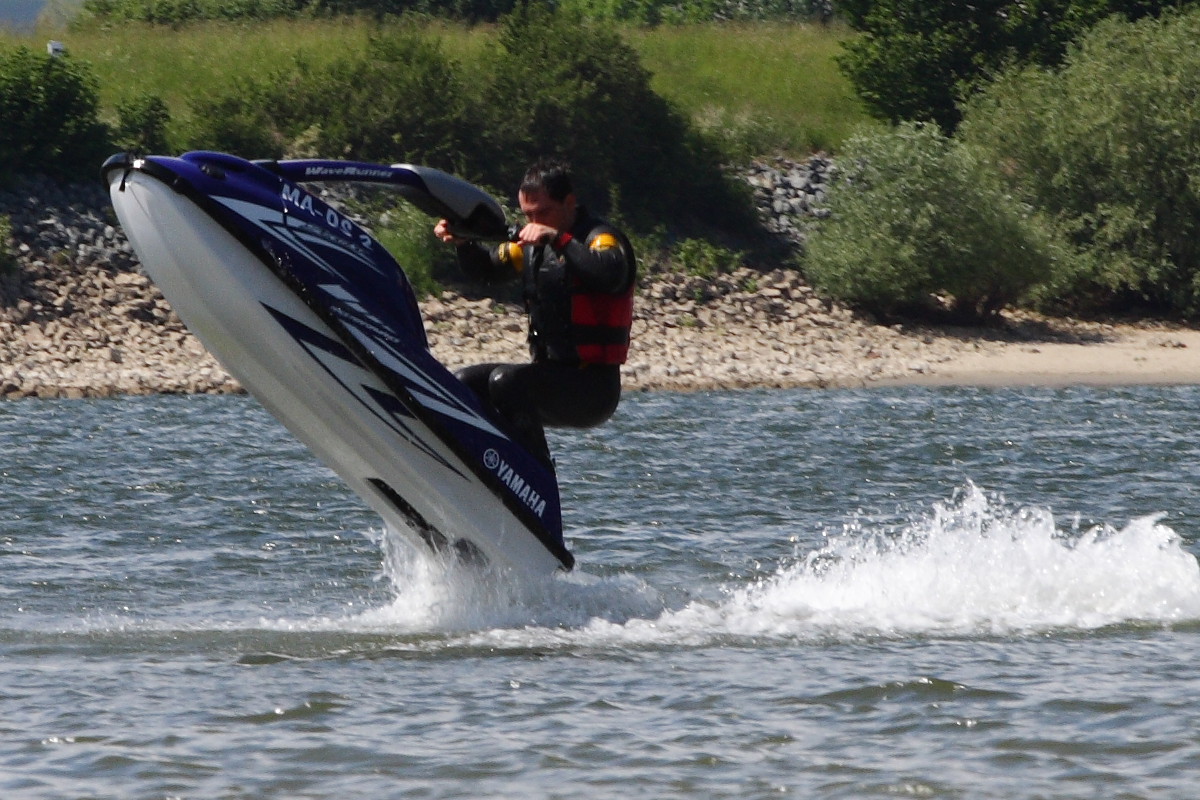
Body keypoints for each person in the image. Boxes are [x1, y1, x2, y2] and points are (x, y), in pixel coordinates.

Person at [433, 157, 636, 466]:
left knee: (506, 382)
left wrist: (558, 239)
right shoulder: (530, 244)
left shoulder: (600, 238)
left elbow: (609, 273)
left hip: (592, 390)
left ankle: (533, 468)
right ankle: (477, 461)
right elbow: (487, 270)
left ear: (569, 203)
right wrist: (463, 243)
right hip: (551, 376)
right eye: (529, 215)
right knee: (462, 383)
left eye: (544, 213)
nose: (535, 222)